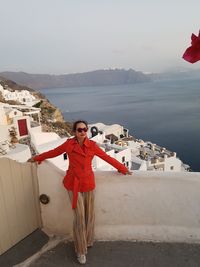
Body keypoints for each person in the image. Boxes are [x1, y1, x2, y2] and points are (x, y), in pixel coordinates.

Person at [28, 120, 132, 264]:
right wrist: (37, 158)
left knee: (89, 215)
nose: (82, 132)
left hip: (88, 184)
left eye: (84, 129)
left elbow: (106, 158)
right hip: (73, 184)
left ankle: (88, 240)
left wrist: (122, 168)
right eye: (79, 130)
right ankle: (80, 250)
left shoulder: (93, 146)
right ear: (74, 132)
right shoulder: (68, 144)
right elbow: (53, 152)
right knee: (79, 218)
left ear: (87, 130)